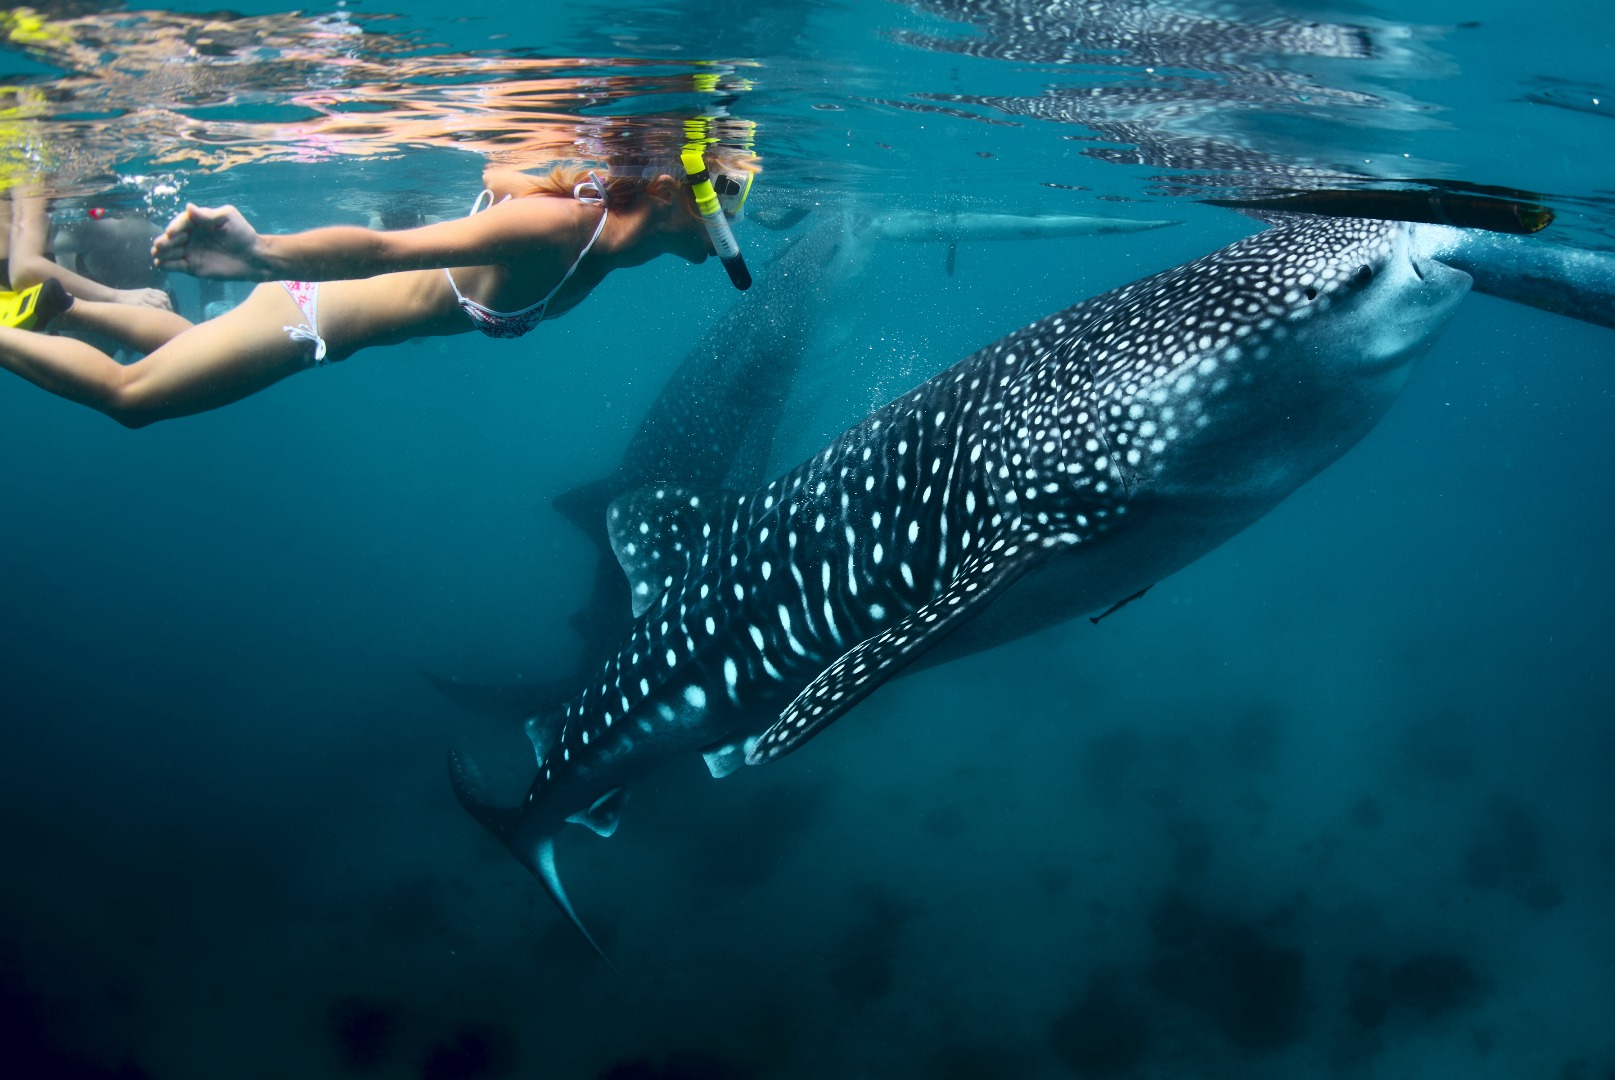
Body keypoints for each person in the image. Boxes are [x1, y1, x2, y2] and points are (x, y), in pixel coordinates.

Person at [0, 149, 758, 427]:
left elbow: (498, 172)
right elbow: (381, 249)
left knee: (188, 345)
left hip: (315, 331)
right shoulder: (560, 232)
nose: (735, 220)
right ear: (666, 190)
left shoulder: (595, 231)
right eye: (730, 198)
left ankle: (65, 305)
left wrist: (529, 176)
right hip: (305, 314)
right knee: (131, 401)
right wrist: (258, 251)